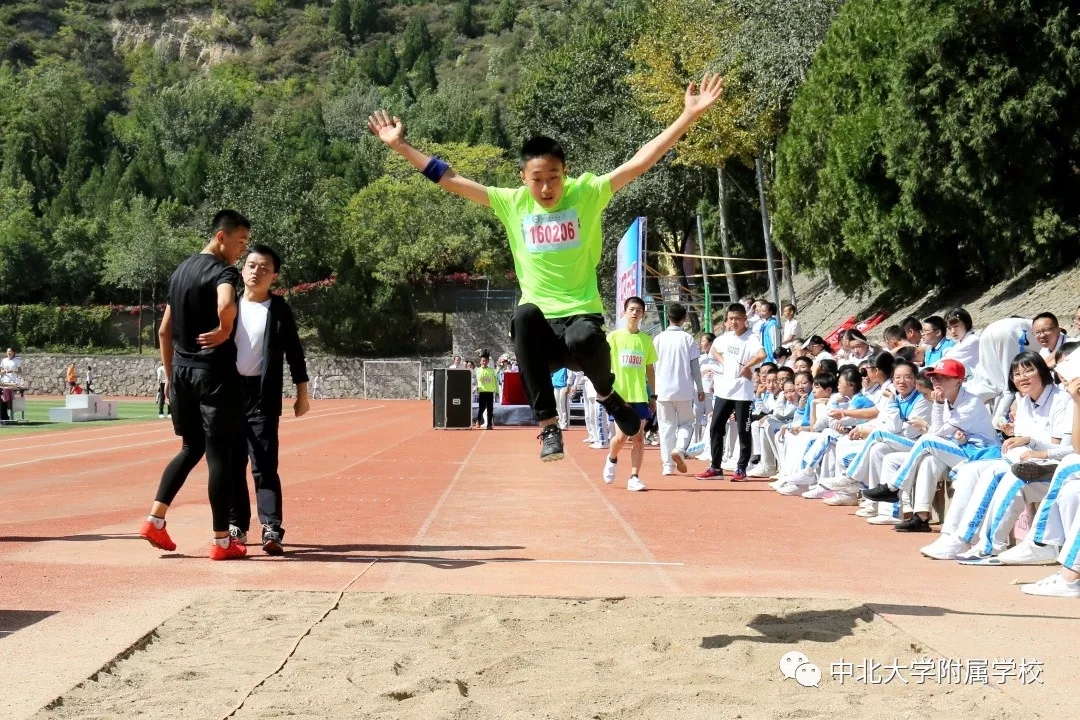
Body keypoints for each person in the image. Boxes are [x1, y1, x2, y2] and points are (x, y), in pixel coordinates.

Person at [368, 74, 726, 461]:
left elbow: (640, 161)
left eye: (553, 178)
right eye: (537, 180)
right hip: (542, 329)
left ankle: (608, 395)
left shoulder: (587, 192)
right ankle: (549, 426)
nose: (545, 188)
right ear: (523, 178)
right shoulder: (512, 203)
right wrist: (401, 147)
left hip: (581, 316)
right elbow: (450, 178)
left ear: (565, 173)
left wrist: (688, 116)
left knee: (584, 339)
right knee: (523, 315)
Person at [138, 209, 249, 560]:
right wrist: (225, 329)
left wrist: (170, 376)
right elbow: (226, 302)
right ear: (221, 237)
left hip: (182, 373)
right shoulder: (223, 271)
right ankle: (222, 541)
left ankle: (155, 519)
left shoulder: (180, 272)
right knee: (220, 455)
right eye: (240, 241)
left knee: (190, 448)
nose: (242, 250)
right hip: (213, 373)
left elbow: (163, 331)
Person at [226, 244, 310, 556]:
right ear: (242, 269)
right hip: (229, 394)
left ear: (274, 276)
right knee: (233, 464)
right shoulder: (228, 304)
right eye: (251, 265)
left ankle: (271, 527)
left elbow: (295, 354)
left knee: (263, 464)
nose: (256, 271)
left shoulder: (279, 309)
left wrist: (302, 394)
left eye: (264, 268)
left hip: (263, 396)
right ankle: (236, 524)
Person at [697, 303, 766, 481]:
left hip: (742, 393)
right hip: (723, 391)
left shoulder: (751, 338)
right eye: (731, 319)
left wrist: (747, 366)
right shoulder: (725, 337)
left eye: (737, 319)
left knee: (744, 430)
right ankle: (715, 467)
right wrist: (724, 362)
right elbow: (713, 350)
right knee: (716, 427)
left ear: (745, 319)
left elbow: (762, 355)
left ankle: (741, 468)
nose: (734, 322)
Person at [602, 296, 657, 491]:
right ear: (624, 312)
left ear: (643, 315)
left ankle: (634, 476)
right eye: (631, 309)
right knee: (621, 437)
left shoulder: (646, 340)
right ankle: (612, 457)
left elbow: (650, 369)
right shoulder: (613, 337)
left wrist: (653, 395)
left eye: (639, 310)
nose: (635, 313)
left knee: (639, 437)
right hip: (619, 396)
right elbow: (604, 365)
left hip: (639, 395)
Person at [653, 303, 705, 475]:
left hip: (663, 390)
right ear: (684, 318)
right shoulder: (687, 338)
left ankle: (667, 466)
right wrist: (700, 387)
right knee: (687, 423)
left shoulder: (658, 338)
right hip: (684, 389)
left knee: (666, 427)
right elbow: (695, 365)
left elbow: (652, 366)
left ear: (668, 317)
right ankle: (680, 449)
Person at [476, 352, 497, 429]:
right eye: (483, 361)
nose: (484, 362)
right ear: (480, 362)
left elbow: (494, 380)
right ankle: (478, 420)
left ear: (488, 362)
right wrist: (482, 370)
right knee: (481, 408)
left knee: (490, 409)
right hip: (482, 391)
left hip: (490, 391)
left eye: (486, 361)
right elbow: (479, 378)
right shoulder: (478, 370)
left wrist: (496, 390)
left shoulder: (491, 370)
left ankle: (489, 424)